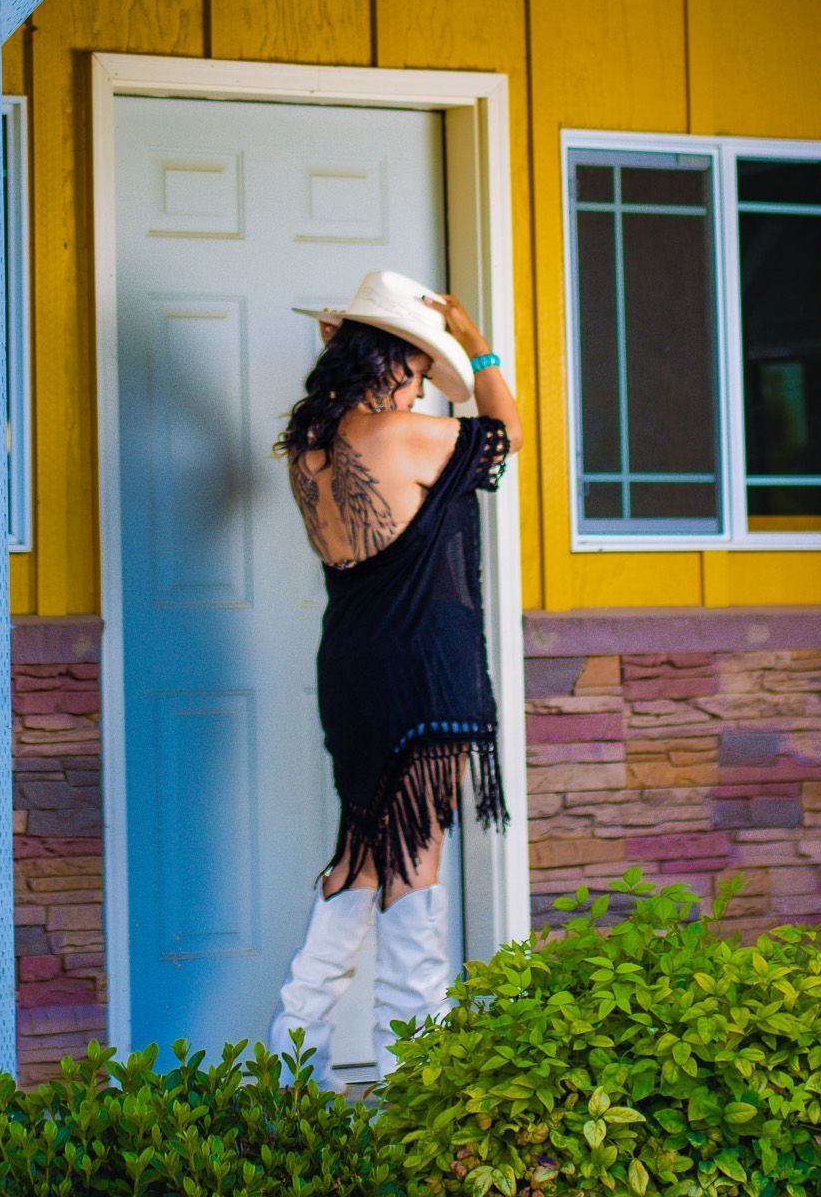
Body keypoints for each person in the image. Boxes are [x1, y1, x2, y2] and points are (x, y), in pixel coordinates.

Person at [266, 269, 523, 1087]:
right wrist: (477, 347)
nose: (421, 381)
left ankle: (287, 1061)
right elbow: (507, 431)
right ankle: (419, 1080)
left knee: (362, 856)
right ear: (390, 360)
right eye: (415, 362)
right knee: (415, 859)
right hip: (422, 671)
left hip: (351, 665)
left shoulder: (308, 451)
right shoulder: (410, 435)